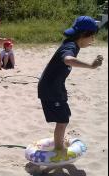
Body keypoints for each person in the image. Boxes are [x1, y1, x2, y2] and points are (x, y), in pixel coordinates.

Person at [38, 16, 104, 159]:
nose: (93, 40)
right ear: (84, 34)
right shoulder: (71, 46)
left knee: (65, 116)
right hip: (50, 89)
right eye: (92, 36)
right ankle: (59, 149)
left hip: (55, 87)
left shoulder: (72, 44)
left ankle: (59, 142)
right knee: (62, 120)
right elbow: (67, 59)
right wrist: (91, 66)